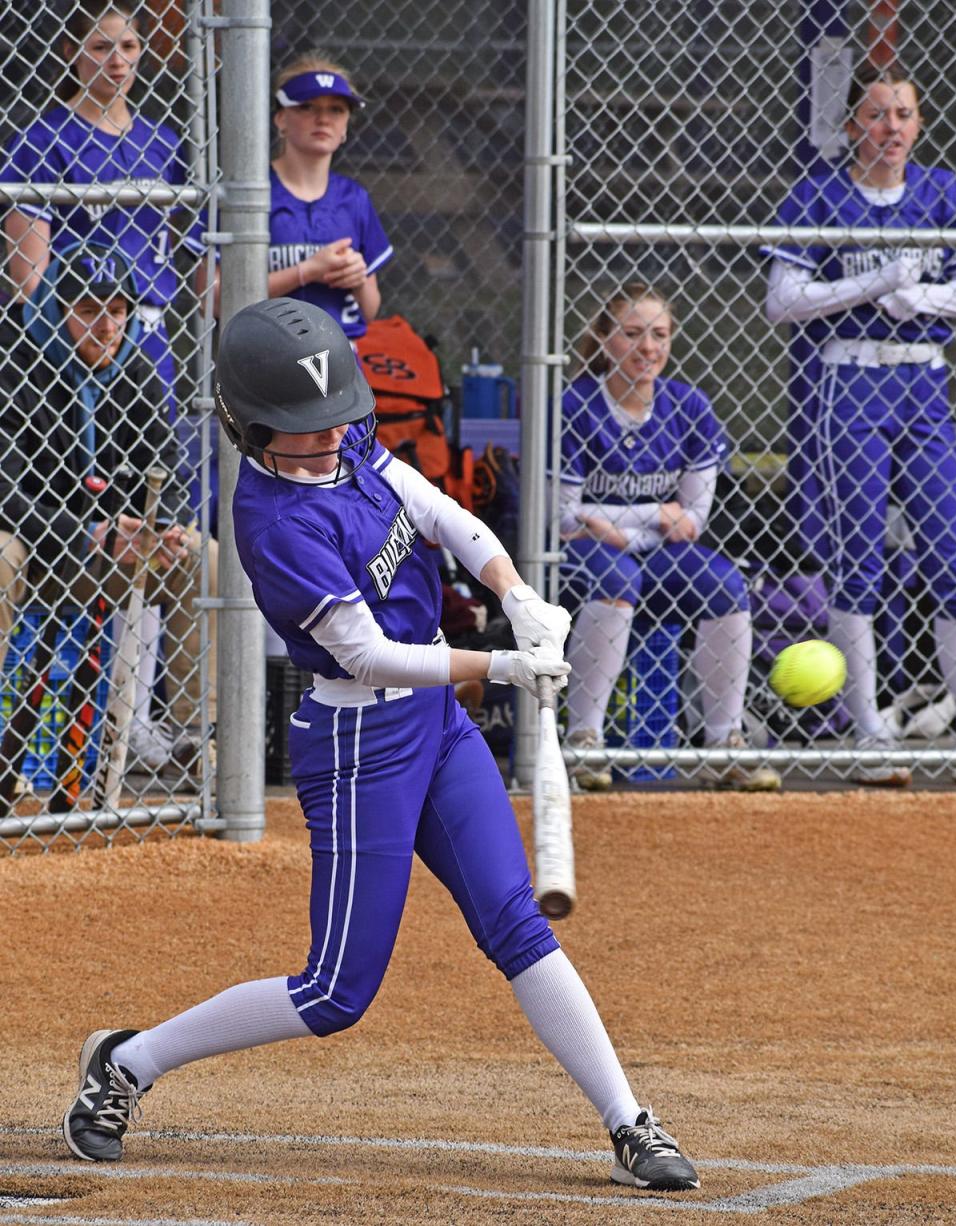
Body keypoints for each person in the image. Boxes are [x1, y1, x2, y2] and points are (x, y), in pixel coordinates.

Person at [58, 298, 700, 1196]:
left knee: (515, 923)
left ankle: (630, 1120)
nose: (328, 446)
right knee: (335, 993)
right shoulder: (276, 524)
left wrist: (513, 589)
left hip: (436, 724)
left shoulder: (343, 439)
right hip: (359, 740)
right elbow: (362, 651)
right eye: (303, 435)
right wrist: (501, 664)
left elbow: (438, 512)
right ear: (248, 430)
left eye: (335, 427)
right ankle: (126, 1062)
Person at [2, 0, 210, 771]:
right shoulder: (44, 136)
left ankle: (140, 719)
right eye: (99, 45)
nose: (117, 59)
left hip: (143, 337)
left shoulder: (163, 142)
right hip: (70, 335)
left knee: (150, 510)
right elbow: (27, 272)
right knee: (70, 487)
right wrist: (40, 341)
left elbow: (194, 267)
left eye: (128, 45)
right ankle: (76, 722)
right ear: (72, 53)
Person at [764, 62, 956, 787]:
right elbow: (782, 301)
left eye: (903, 115)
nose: (891, 130)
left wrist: (928, 303)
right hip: (848, 381)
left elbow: (949, 293)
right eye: (876, 116)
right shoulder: (818, 193)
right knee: (861, 560)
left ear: (919, 123)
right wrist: (873, 283)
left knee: (952, 553)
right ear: (852, 126)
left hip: (925, 381)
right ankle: (869, 733)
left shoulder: (944, 193)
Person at [0, 242, 216, 779]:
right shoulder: (14, 363)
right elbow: (4, 491)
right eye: (89, 310)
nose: (107, 327)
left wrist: (159, 526)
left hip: (112, 550)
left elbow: (168, 463)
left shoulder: (136, 367)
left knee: (204, 557)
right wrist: (86, 533)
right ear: (54, 305)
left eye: (116, 310)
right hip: (35, 547)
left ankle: (198, 742)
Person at [557, 283, 781, 793]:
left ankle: (725, 742)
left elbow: (693, 518)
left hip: (649, 550)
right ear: (605, 339)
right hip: (581, 552)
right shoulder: (576, 404)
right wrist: (652, 514)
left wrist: (616, 520)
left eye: (659, 334)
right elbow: (564, 517)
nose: (648, 348)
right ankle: (583, 741)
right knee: (616, 577)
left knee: (726, 586)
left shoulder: (689, 405)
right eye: (632, 334)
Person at [200, 53, 392, 341]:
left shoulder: (354, 198)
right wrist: (306, 272)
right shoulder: (244, 194)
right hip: (265, 356)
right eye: (306, 106)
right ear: (281, 119)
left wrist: (358, 278)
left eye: (337, 110)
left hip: (341, 363)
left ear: (346, 126)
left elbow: (371, 309)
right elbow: (209, 299)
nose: (323, 119)